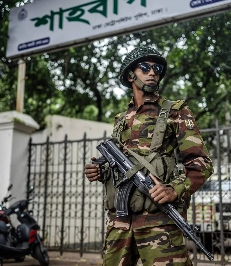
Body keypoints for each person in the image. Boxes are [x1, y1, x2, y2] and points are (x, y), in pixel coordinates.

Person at [84, 47, 214, 266]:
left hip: (158, 221)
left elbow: (201, 164)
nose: (153, 72)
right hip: (120, 222)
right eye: (145, 67)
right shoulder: (121, 119)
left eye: (157, 68)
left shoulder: (176, 112)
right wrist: (100, 170)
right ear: (130, 75)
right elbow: (118, 167)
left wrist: (174, 190)